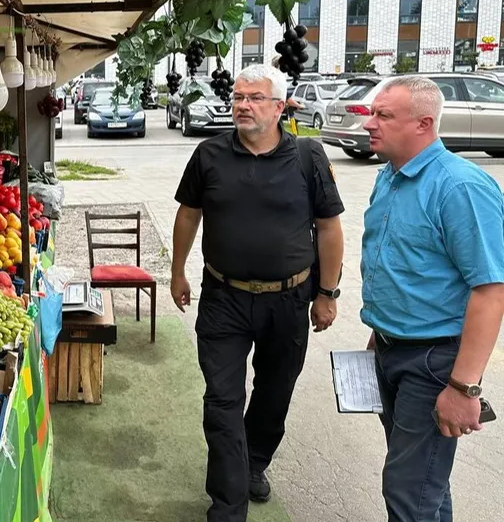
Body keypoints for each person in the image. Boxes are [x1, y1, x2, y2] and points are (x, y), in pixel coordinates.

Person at [171, 64, 345, 522]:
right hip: (223, 297)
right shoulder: (209, 154)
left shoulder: (308, 157)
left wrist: (327, 293)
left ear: (279, 105)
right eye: (237, 97)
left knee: (275, 391)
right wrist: (177, 272)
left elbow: (328, 228)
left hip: (290, 299)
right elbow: (188, 215)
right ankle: (228, 507)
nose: (242, 105)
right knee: (222, 401)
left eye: (254, 98)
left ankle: (254, 463)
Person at [360, 75, 504, 521]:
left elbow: (491, 290)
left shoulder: (459, 187)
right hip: (391, 350)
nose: (369, 124)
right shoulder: (390, 176)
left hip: (434, 362)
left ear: (424, 124)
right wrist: (379, 332)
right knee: (425, 487)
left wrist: (464, 388)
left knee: (408, 495)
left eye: (383, 116)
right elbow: (398, 266)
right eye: (373, 112)